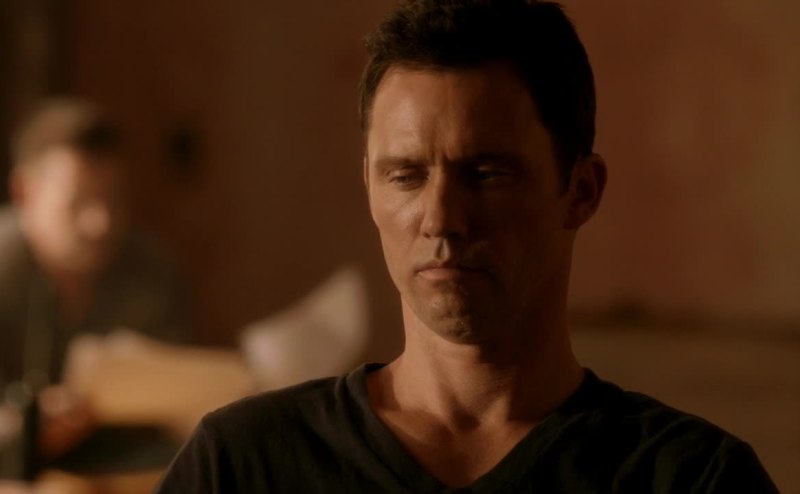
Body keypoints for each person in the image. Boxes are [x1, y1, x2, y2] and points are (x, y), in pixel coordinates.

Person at [156, 1, 778, 492]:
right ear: (369, 188)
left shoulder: (693, 478)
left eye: (486, 174)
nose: (441, 219)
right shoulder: (244, 465)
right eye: (406, 175)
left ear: (581, 192)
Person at [0, 98, 190, 480]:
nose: (101, 222)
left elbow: (176, 402)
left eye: (114, 200)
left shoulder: (151, 272)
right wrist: (25, 423)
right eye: (78, 202)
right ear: (24, 192)